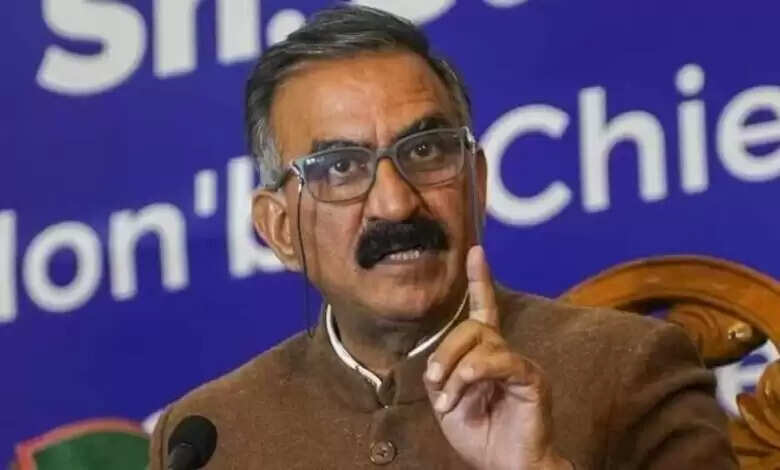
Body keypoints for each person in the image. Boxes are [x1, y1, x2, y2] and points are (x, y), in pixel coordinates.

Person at [150, 6, 737, 469]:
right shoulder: (210, 436)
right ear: (280, 229)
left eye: (426, 150)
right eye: (341, 167)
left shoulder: (629, 367)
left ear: (476, 183)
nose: (395, 202)